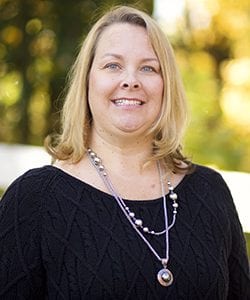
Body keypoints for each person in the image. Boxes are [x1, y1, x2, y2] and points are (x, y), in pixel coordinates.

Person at [0, 5, 249, 300]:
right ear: (87, 81)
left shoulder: (211, 192)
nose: (131, 80)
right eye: (112, 65)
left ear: (166, 86)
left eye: (148, 68)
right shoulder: (35, 200)